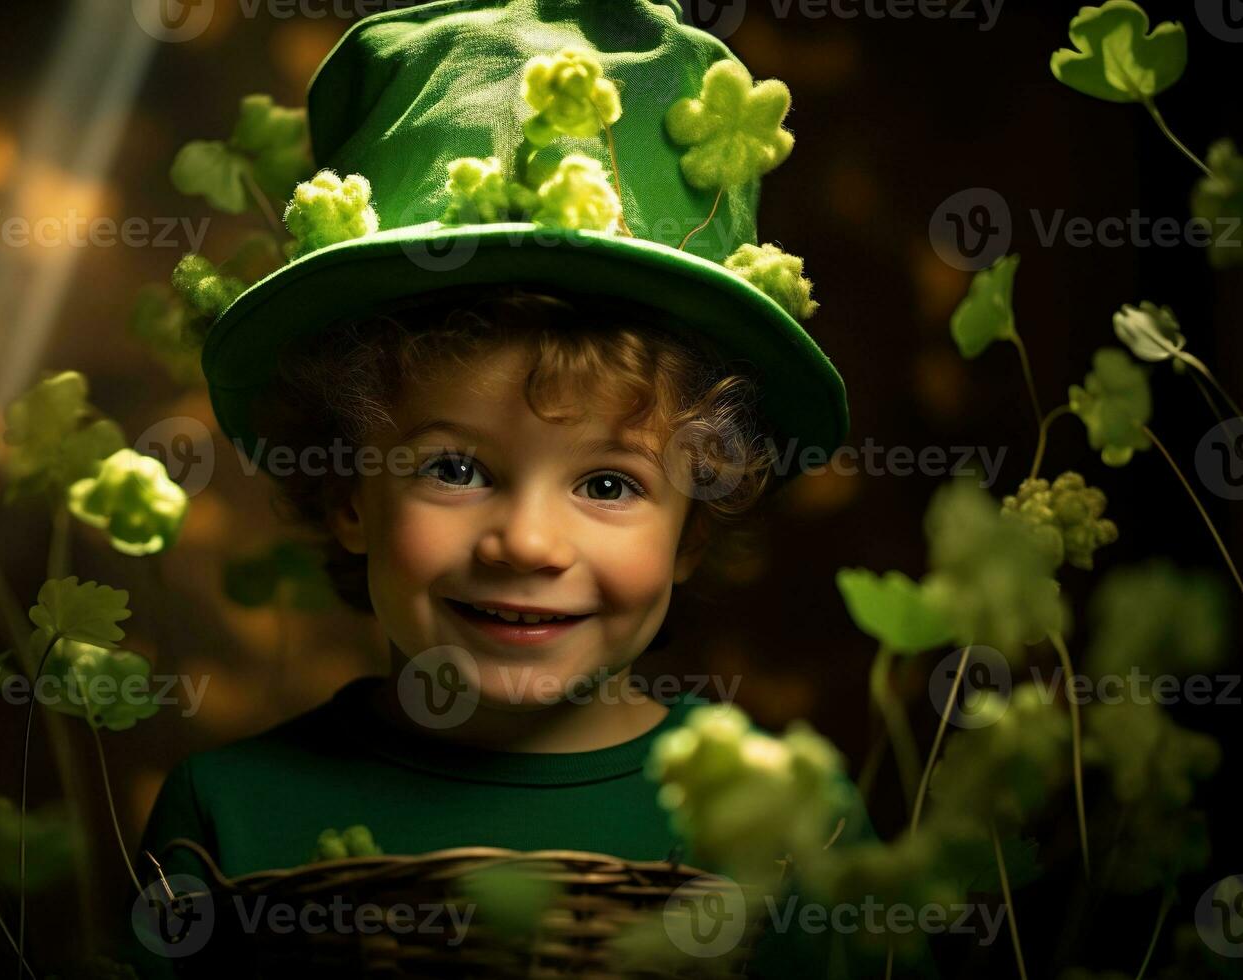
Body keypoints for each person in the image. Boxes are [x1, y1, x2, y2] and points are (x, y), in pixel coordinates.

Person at [117, 0, 920, 976]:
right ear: (347, 492)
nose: (528, 542)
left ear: (694, 528)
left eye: (610, 482)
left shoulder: (789, 816)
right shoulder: (225, 816)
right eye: (455, 467)